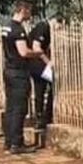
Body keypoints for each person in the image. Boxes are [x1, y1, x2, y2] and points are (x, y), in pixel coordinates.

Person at [1, 0, 42, 154]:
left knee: (10, 107)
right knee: (19, 108)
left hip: (9, 70)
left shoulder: (6, 26)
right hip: (18, 73)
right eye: (29, 11)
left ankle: (9, 141)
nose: (30, 14)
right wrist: (37, 53)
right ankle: (17, 143)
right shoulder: (18, 29)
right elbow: (23, 52)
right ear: (23, 10)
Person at [28, 18, 54, 146]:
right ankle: (45, 116)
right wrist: (48, 62)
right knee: (52, 85)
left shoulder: (42, 27)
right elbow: (36, 47)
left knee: (40, 90)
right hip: (37, 64)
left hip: (34, 64)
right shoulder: (43, 27)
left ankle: (41, 117)